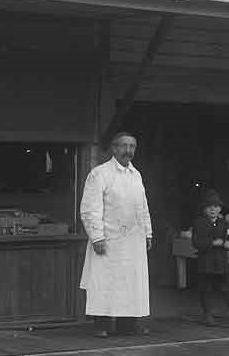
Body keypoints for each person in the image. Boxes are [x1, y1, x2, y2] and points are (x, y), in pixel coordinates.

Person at [79, 132, 153, 338]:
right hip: (109, 239)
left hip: (133, 241)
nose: (128, 150)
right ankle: (101, 325)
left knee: (131, 283)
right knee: (105, 282)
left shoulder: (136, 175)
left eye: (132, 146)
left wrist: (148, 232)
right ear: (113, 148)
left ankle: (127, 325)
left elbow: (142, 206)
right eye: (123, 146)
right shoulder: (99, 174)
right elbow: (89, 208)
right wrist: (97, 237)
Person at [191, 190, 229, 325]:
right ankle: (208, 315)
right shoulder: (199, 223)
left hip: (221, 262)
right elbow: (196, 242)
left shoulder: (224, 223)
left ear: (220, 209)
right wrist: (212, 243)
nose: (213, 209)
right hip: (205, 261)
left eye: (216, 207)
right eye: (210, 207)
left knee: (227, 287)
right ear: (204, 209)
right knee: (206, 288)